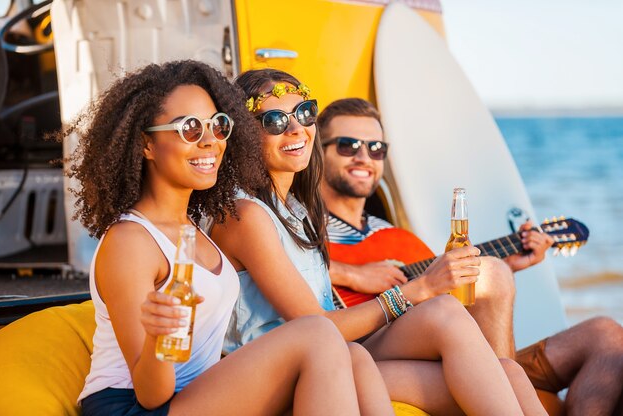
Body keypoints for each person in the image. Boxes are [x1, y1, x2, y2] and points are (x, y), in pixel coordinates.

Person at [211, 68, 548, 415]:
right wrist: (416, 290)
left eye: (304, 113)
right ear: (245, 135)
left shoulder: (296, 208)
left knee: (505, 368)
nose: (297, 128)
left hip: (341, 350)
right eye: (275, 121)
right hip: (285, 373)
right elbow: (316, 327)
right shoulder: (245, 215)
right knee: (458, 332)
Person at [64, 60, 393, 416]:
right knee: (319, 334)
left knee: (355, 355)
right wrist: (162, 340)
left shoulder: (196, 231)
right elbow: (150, 395)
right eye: (190, 128)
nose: (211, 142)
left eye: (218, 126)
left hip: (196, 392)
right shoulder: (132, 242)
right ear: (146, 144)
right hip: (135, 406)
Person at [317, 97, 623, 416]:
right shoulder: (307, 223)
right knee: (490, 281)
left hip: (455, 349)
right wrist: (351, 274)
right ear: (318, 154)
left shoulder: (393, 236)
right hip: (371, 342)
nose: (364, 156)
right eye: (348, 145)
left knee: (606, 334)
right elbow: (282, 264)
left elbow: (439, 290)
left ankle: (503, 378)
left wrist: (508, 267)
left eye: (376, 148)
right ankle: (503, 383)